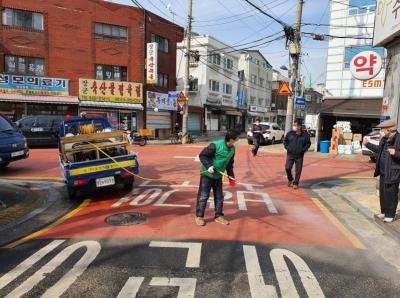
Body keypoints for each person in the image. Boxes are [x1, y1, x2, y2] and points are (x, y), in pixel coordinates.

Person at [195, 130, 239, 226]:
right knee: (203, 196)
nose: (238, 140)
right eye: (236, 139)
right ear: (231, 139)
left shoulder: (232, 149)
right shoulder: (215, 145)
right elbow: (202, 155)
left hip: (218, 176)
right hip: (207, 174)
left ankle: (219, 216)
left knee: (219, 197)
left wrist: (231, 177)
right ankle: (199, 216)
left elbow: (229, 164)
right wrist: (209, 166)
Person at [364, 119, 400, 223]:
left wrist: (396, 153)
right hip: (383, 171)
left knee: (391, 193)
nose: (381, 131)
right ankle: (384, 212)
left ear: (389, 129)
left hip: (393, 171)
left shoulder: (398, 138)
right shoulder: (384, 139)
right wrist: (368, 144)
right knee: (383, 193)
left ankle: (390, 215)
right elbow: (378, 150)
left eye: (382, 129)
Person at [284, 119, 311, 189]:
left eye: (296, 125)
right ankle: (290, 179)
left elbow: (308, 143)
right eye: (294, 125)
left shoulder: (305, 135)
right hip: (290, 154)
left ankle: (295, 183)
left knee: (298, 170)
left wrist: (303, 150)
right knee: (287, 168)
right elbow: (285, 141)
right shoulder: (290, 133)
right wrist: (287, 147)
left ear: (300, 126)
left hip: (299, 155)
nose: (294, 127)